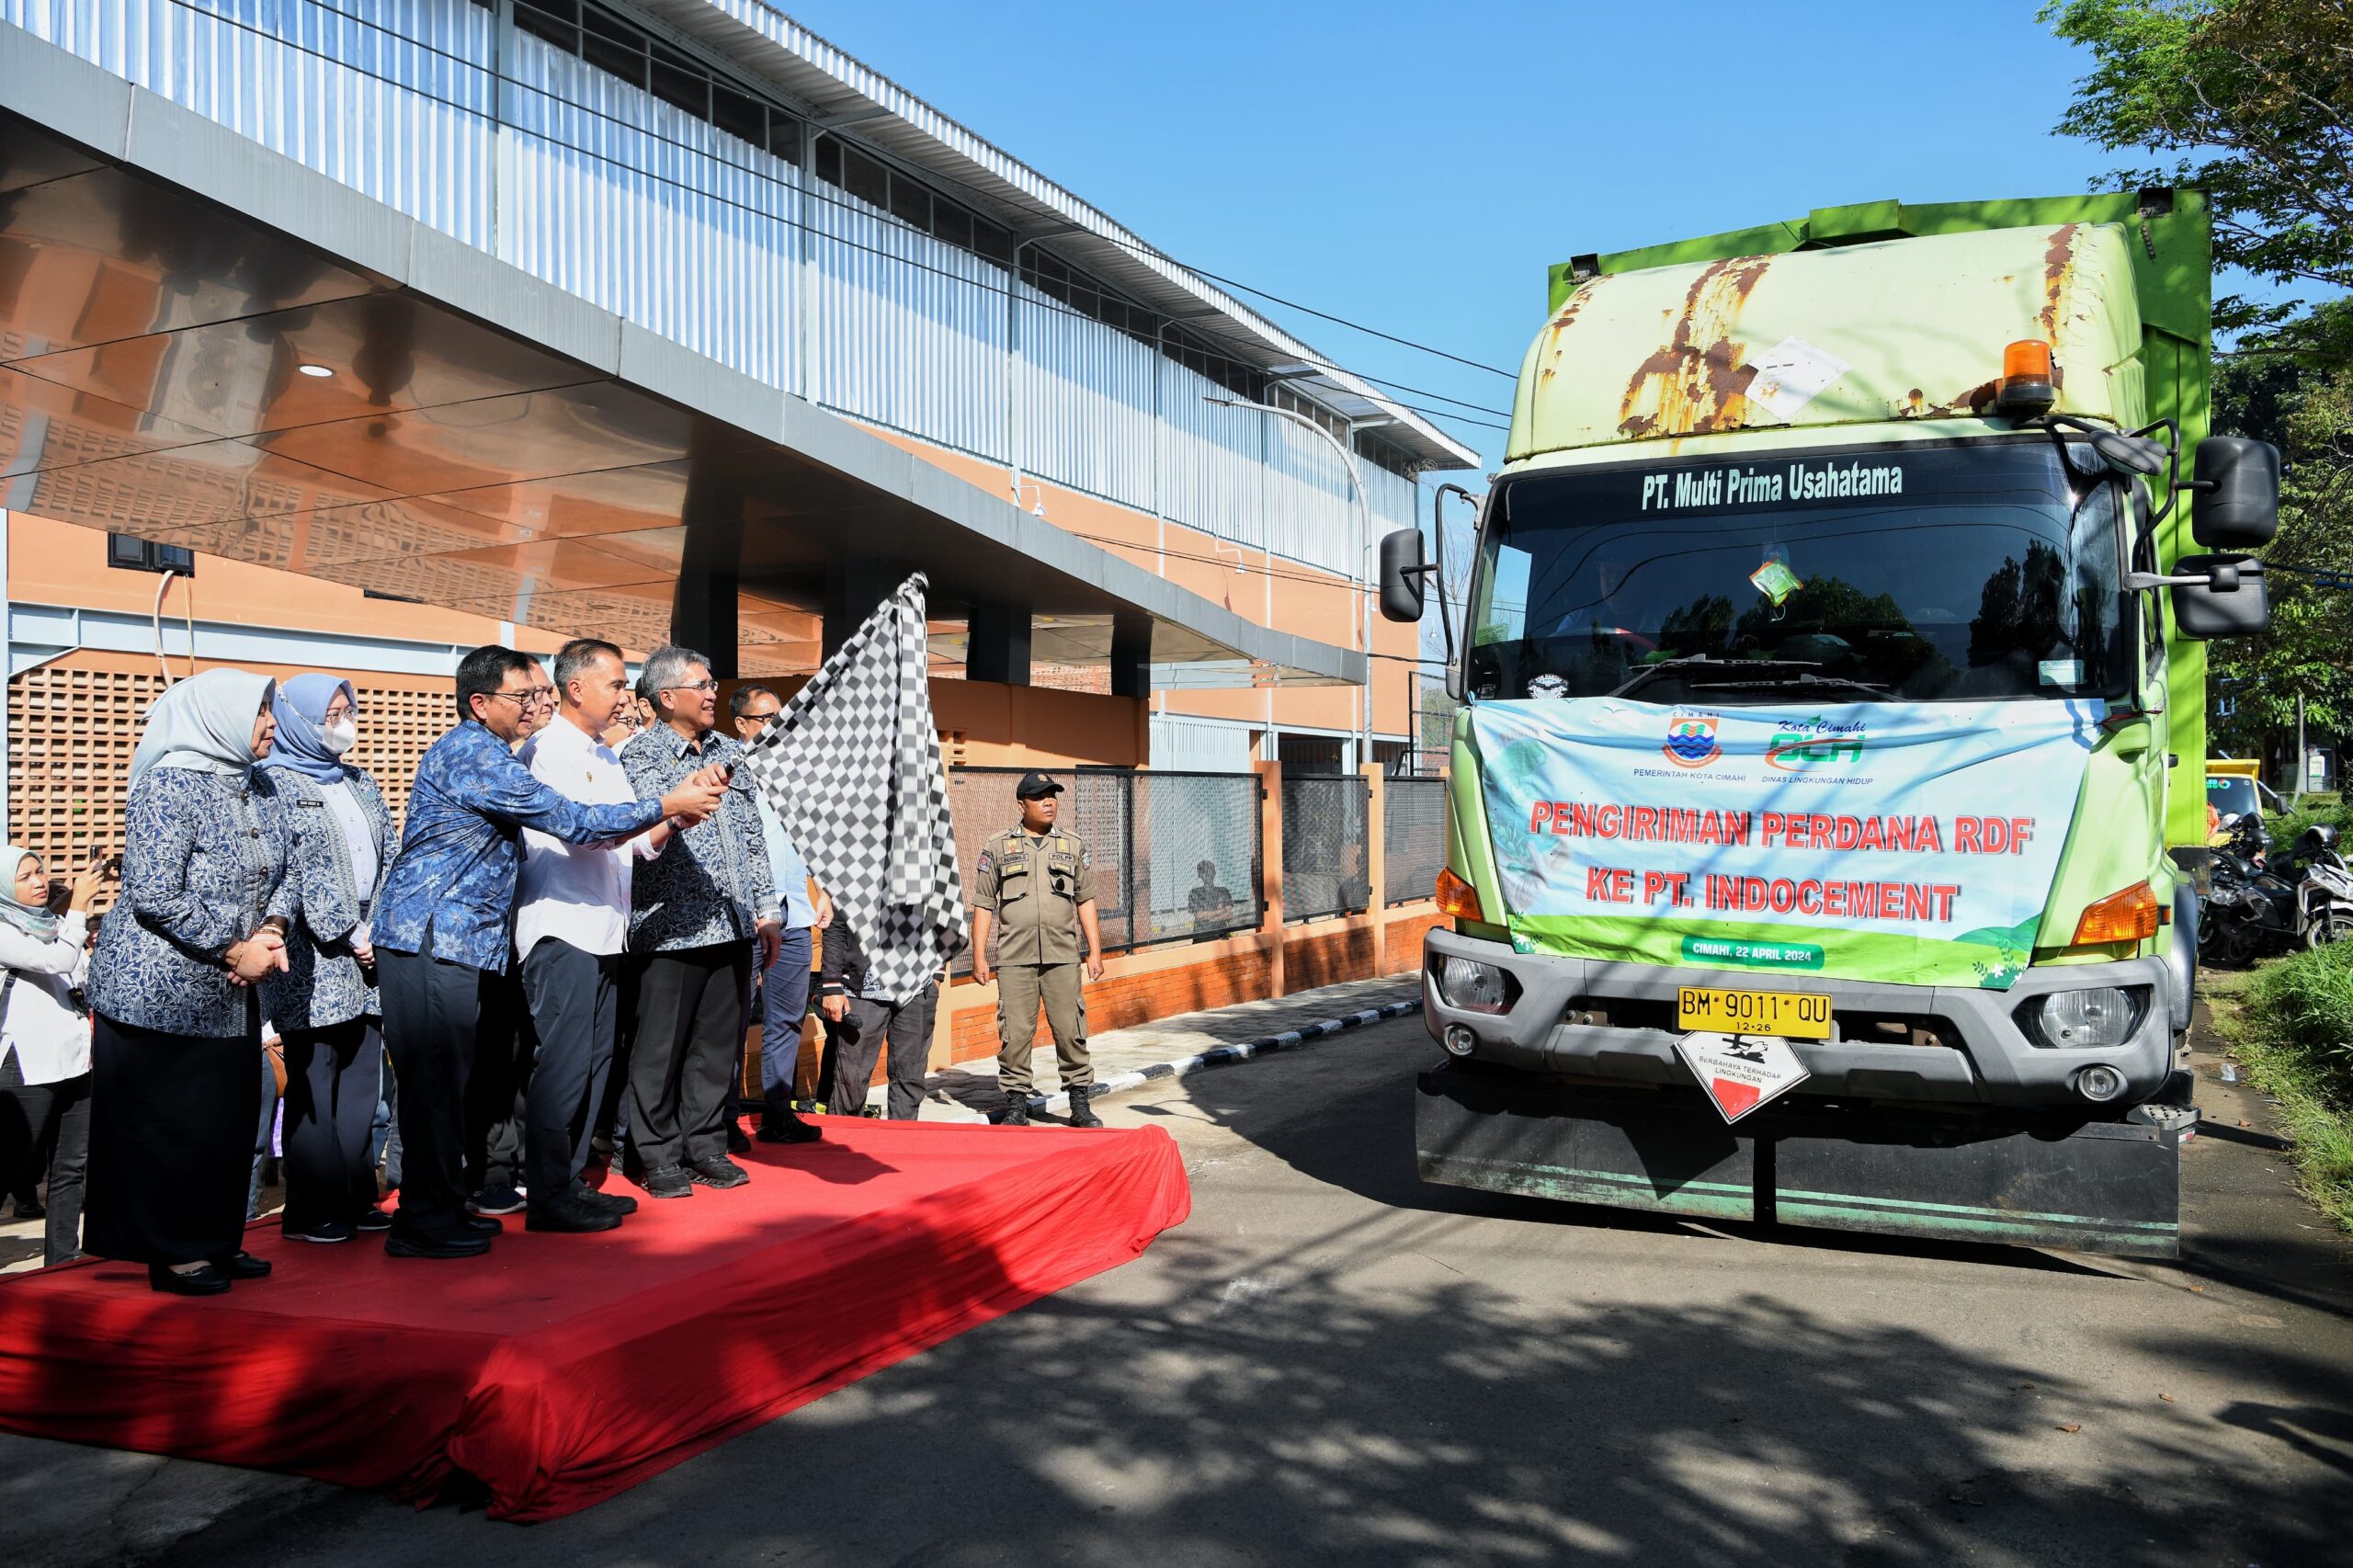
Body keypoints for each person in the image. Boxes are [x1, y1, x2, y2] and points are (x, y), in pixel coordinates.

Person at [371, 646, 724, 1259]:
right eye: (524, 695)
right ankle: (423, 1220)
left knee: (450, 1083)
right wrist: (667, 803)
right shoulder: (475, 755)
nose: (537, 703)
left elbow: (614, 838)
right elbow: (575, 823)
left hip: (461, 942)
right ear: (481, 704)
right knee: (434, 1084)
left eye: (540, 692)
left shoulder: (500, 752)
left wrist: (668, 815)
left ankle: (443, 1208)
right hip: (433, 935)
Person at [85, 669, 295, 1295]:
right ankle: (174, 1251)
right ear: (220, 716)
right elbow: (153, 894)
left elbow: (289, 867)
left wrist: (272, 930)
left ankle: (214, 1239)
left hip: (229, 991)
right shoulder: (169, 785)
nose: (271, 725)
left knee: (223, 1123)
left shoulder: (260, 784)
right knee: (170, 1125)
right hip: (159, 991)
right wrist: (234, 947)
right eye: (260, 713)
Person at [509, 639, 678, 1233]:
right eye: (615, 683)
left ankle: (573, 1180)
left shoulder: (605, 756)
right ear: (575, 688)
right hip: (562, 925)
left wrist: (671, 820)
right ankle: (546, 1189)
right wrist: (662, 805)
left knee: (595, 1063)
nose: (624, 696)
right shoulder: (547, 750)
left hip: (606, 928)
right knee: (562, 1063)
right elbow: (584, 831)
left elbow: (630, 841)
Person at [620, 645, 779, 1199]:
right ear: (666, 698)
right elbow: (635, 838)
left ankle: (706, 1145)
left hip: (732, 923)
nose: (713, 693)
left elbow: (753, 839)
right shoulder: (638, 757)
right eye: (701, 685)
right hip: (670, 928)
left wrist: (767, 911)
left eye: (712, 683)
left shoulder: (732, 753)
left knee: (717, 1046)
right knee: (660, 1049)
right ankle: (656, 1153)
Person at [259, 675, 396, 1244]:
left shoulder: (359, 781)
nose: (343, 721)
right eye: (330, 713)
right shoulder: (275, 783)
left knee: (363, 1085)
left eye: (347, 710)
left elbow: (390, 850)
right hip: (313, 959)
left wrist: (381, 926)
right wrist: (350, 930)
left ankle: (355, 1195)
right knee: (317, 1086)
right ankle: (312, 1207)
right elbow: (296, 870)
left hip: (370, 955)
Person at [971, 772, 1107, 1128]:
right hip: (1015, 958)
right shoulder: (997, 846)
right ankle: (1016, 1106)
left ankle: (1079, 1104)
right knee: (1015, 1033)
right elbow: (984, 904)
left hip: (1063, 957)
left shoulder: (1073, 845)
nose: (1049, 802)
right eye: (1040, 796)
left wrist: (1095, 951)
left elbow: (1086, 900)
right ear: (1022, 804)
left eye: (1053, 796)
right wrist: (980, 955)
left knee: (1070, 1029)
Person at [727, 683, 830, 1144]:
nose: (776, 725)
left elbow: (812, 841)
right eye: (766, 717)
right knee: (729, 1020)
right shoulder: (727, 774)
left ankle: (777, 1114)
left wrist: (822, 888)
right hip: (745, 918)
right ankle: (722, 1121)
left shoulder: (797, 775)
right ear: (742, 725)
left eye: (780, 716)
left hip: (794, 913)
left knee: (786, 1018)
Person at [0, 846, 108, 1266]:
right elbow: (55, 959)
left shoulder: (57, 925)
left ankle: (62, 1260)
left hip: (77, 1057)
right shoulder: (7, 928)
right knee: (12, 1163)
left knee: (72, 1168)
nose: (39, 881)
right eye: (25, 876)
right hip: (28, 1062)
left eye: (40, 872)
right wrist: (79, 905)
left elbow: (77, 973)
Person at [816, 902, 936, 1122]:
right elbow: (835, 924)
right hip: (861, 992)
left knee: (909, 1079)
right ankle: (841, 1149)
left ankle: (899, 1150)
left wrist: (937, 974)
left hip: (917, 992)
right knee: (850, 1081)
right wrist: (831, 984)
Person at [1188, 859, 1236, 934]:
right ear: (1199, 875)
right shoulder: (1195, 893)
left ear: (1214, 873)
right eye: (1203, 872)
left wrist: (1210, 918)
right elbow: (1199, 915)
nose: (1207, 874)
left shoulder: (1223, 891)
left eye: (1210, 870)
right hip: (1201, 937)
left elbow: (1229, 914)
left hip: (1221, 935)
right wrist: (1221, 911)